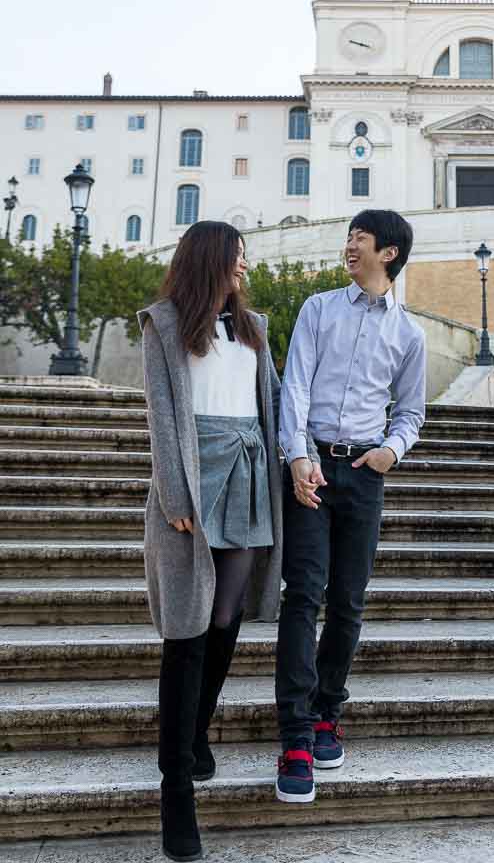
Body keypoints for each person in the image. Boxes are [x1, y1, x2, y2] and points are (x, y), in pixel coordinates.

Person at [138, 221, 282, 862]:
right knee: (186, 634)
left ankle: (195, 731)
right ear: (212, 260)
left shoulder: (255, 329)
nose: (244, 268)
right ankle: (176, 794)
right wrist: (174, 496)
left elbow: (273, 405)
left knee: (225, 620)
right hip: (195, 481)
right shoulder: (165, 323)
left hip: (250, 474)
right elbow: (162, 411)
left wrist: (296, 466)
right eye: (237, 258)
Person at [275, 209, 426, 804]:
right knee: (302, 595)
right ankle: (294, 736)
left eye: (359, 239)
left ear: (387, 253)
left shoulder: (409, 334)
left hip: (364, 473)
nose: (349, 246)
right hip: (312, 465)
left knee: (348, 603)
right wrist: (296, 456)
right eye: (349, 238)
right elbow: (296, 385)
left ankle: (325, 712)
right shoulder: (318, 309)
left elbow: (412, 410)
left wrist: (393, 449)